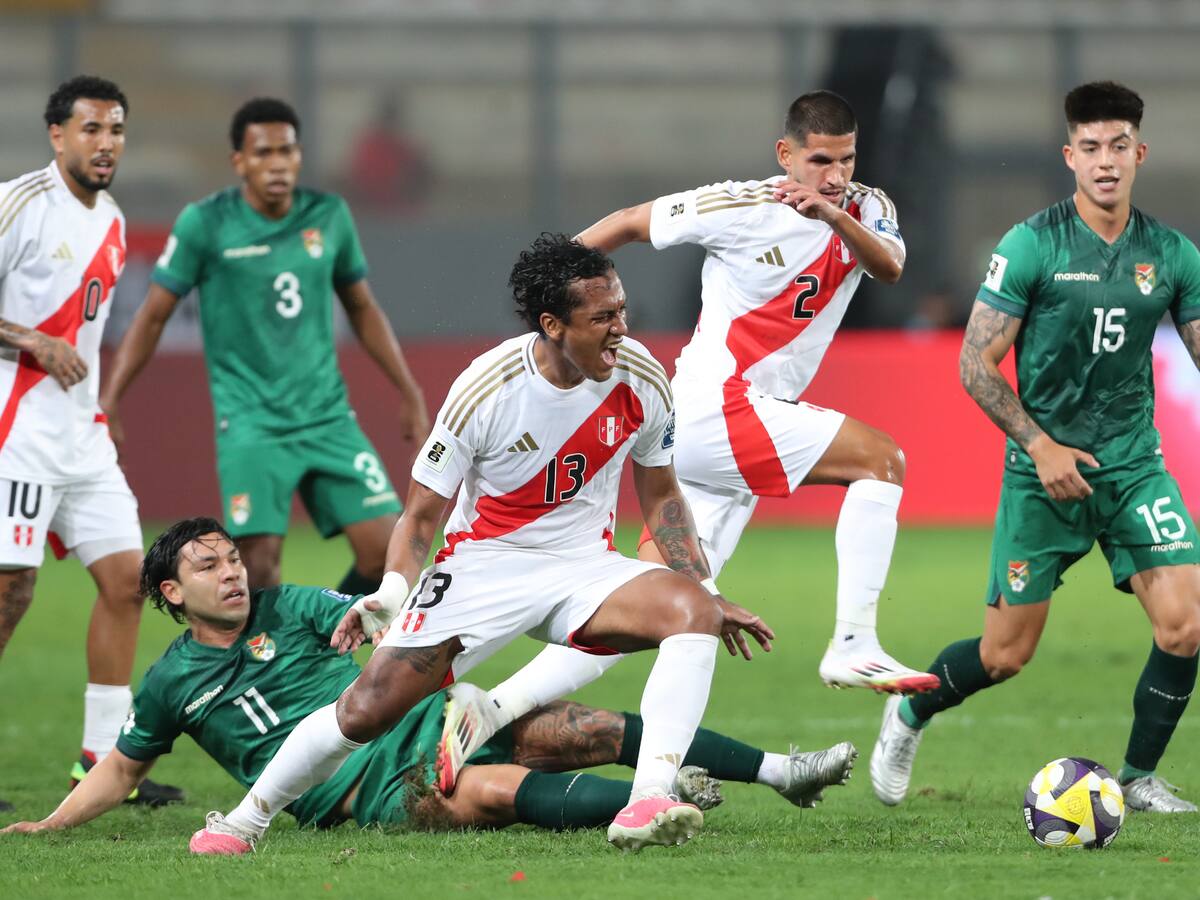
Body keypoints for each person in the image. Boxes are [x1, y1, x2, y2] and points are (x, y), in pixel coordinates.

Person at [188, 233, 774, 855]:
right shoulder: (486, 388)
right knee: (364, 710)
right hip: (482, 567)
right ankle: (242, 822)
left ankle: (647, 801)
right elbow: (419, 518)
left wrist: (704, 588)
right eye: (602, 317)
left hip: (583, 567)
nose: (621, 329)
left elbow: (661, 495)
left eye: (622, 310)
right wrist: (390, 592)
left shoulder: (642, 378)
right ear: (552, 324)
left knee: (693, 616)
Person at [0, 517, 855, 839]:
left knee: (583, 726)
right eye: (206, 567)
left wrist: (376, 616)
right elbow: (122, 767)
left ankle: (779, 776)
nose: (230, 574)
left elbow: (382, 625)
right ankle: (663, 804)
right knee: (486, 794)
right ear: (168, 594)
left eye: (231, 558)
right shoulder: (168, 683)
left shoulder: (285, 604)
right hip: (347, 793)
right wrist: (46, 825)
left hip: (420, 720)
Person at [869, 81, 1200, 813]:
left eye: (1118, 146)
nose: (1105, 161)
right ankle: (910, 711)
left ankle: (1139, 778)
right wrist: (1042, 446)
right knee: (1004, 656)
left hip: (1133, 466)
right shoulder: (1032, 245)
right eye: (1090, 148)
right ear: (1069, 156)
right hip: (1040, 473)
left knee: (1186, 624)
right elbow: (972, 364)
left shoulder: (1173, 255)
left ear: (1139, 153)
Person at [568, 90, 936, 694]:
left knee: (665, 610)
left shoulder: (868, 208)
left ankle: (495, 706)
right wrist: (555, 278)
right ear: (785, 154)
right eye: (821, 161)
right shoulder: (742, 204)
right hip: (717, 406)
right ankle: (853, 643)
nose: (838, 175)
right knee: (881, 459)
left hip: (731, 427)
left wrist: (833, 214)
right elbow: (633, 222)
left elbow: (890, 267)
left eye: (847, 160)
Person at [100, 97, 429, 595]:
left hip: (327, 417)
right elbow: (152, 317)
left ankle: (321, 646)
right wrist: (110, 398)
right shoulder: (205, 224)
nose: (277, 164)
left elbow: (362, 308)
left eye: (286, 151)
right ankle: (259, 670)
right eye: (263, 153)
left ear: (299, 157)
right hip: (252, 422)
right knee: (259, 568)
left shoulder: (329, 215)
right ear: (240, 161)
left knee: (390, 557)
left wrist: (408, 389)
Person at [0, 75, 180, 807]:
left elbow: (88, 335)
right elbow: (44, 334)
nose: (106, 144)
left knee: (128, 580)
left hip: (83, 438)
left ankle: (101, 764)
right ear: (57, 135)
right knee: (11, 590)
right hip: (15, 431)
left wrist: (97, 404)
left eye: (117, 131)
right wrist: (32, 340)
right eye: (92, 130)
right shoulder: (19, 204)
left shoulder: (109, 217)